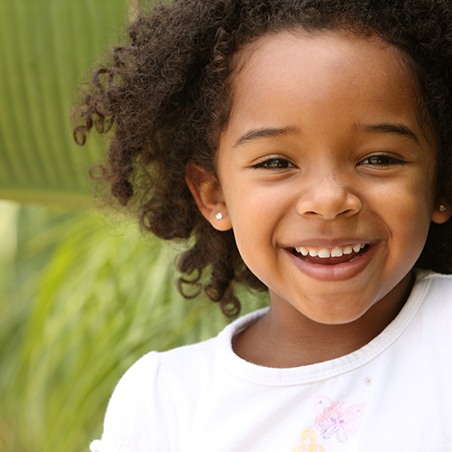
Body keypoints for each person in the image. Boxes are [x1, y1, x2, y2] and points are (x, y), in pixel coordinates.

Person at [73, 0, 452, 450]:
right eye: (276, 162)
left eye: (379, 158)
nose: (329, 200)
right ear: (213, 194)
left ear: (440, 181)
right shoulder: (166, 402)